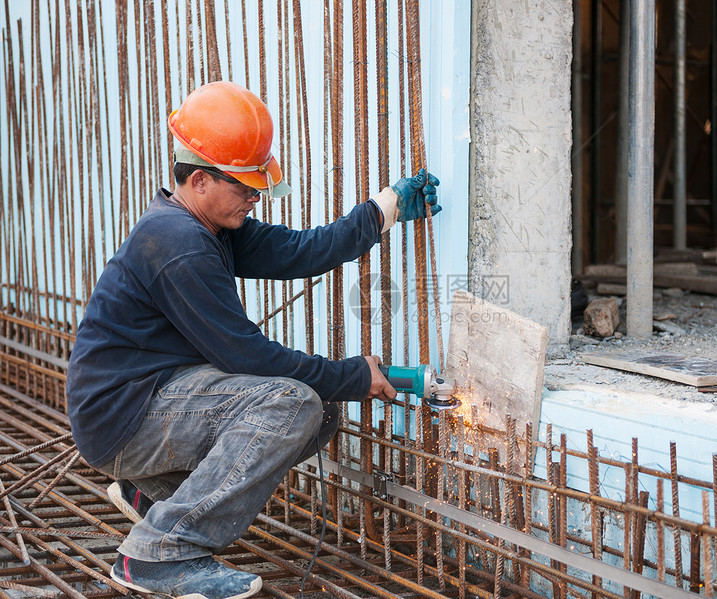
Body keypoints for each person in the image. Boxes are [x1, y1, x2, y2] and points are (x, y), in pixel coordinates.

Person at [65, 81, 442, 599]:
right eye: (243, 184)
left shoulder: (210, 228)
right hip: (124, 417)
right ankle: (158, 553)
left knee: (318, 409)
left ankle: (158, 496)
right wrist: (354, 375)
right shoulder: (178, 244)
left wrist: (386, 207)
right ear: (199, 180)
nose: (255, 195)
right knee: (292, 405)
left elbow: (305, 250)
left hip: (149, 399)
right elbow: (247, 354)